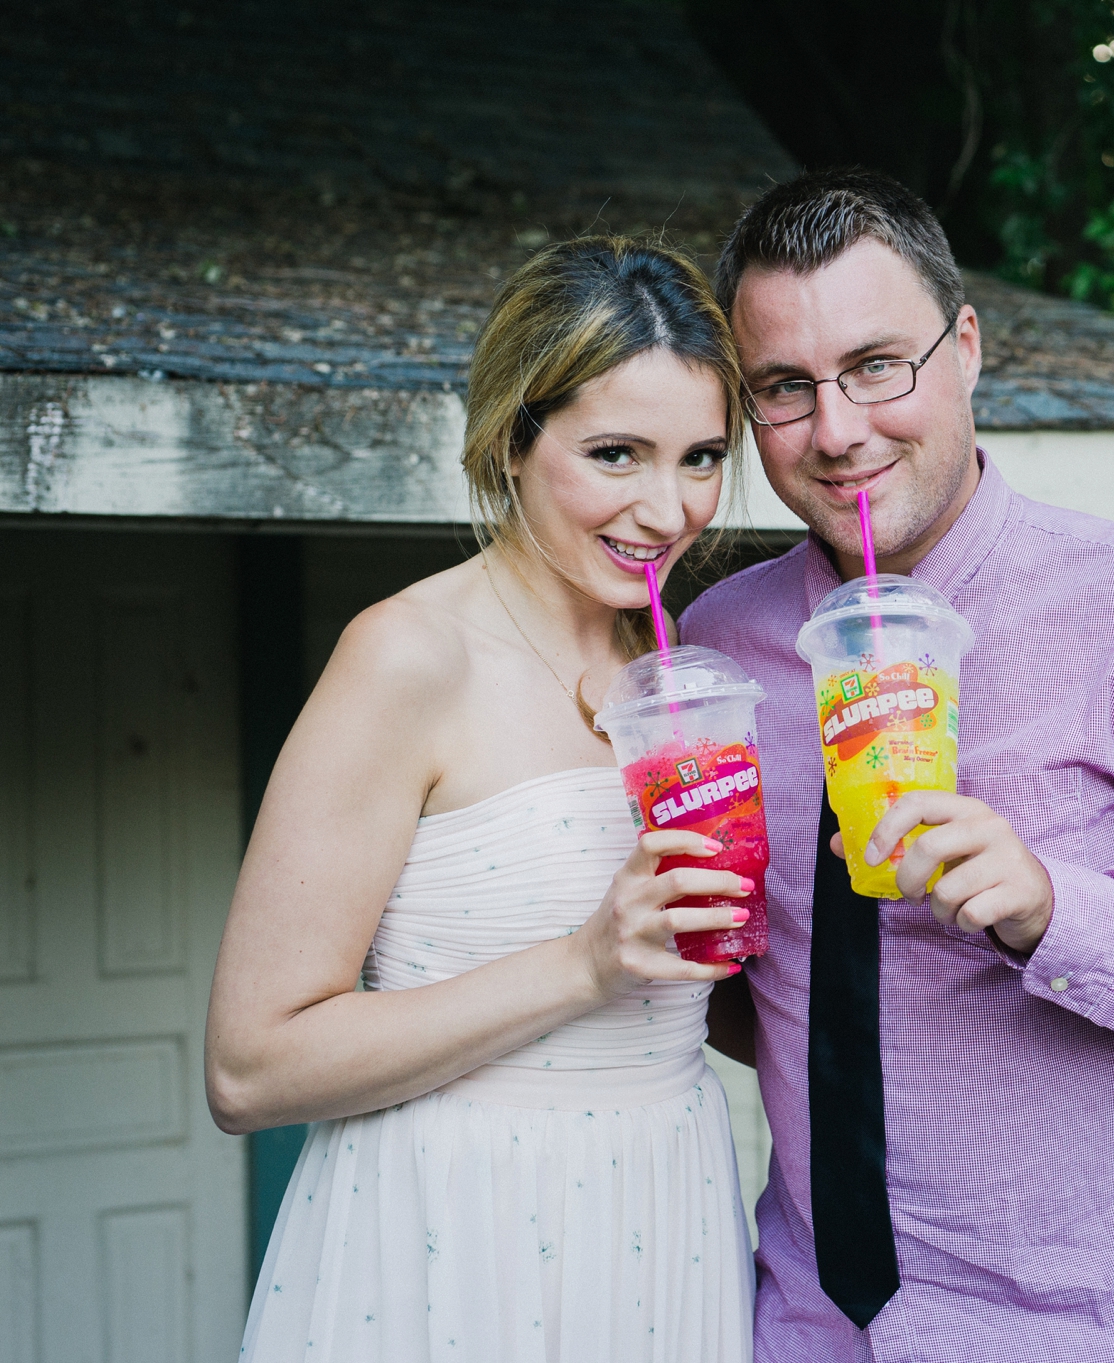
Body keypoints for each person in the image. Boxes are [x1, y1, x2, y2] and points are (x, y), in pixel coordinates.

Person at [683, 168, 1114, 1362]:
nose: (838, 429)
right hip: (809, 1331)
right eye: (785, 389)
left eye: (874, 366)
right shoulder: (717, 653)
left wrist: (1058, 913)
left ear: (963, 346)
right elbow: (769, 997)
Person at [207, 238, 758, 1363]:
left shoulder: (682, 676)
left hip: (668, 1216)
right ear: (512, 441)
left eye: (701, 457)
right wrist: (582, 963)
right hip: (455, 1236)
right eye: (616, 454)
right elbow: (249, 1068)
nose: (668, 509)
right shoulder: (408, 658)